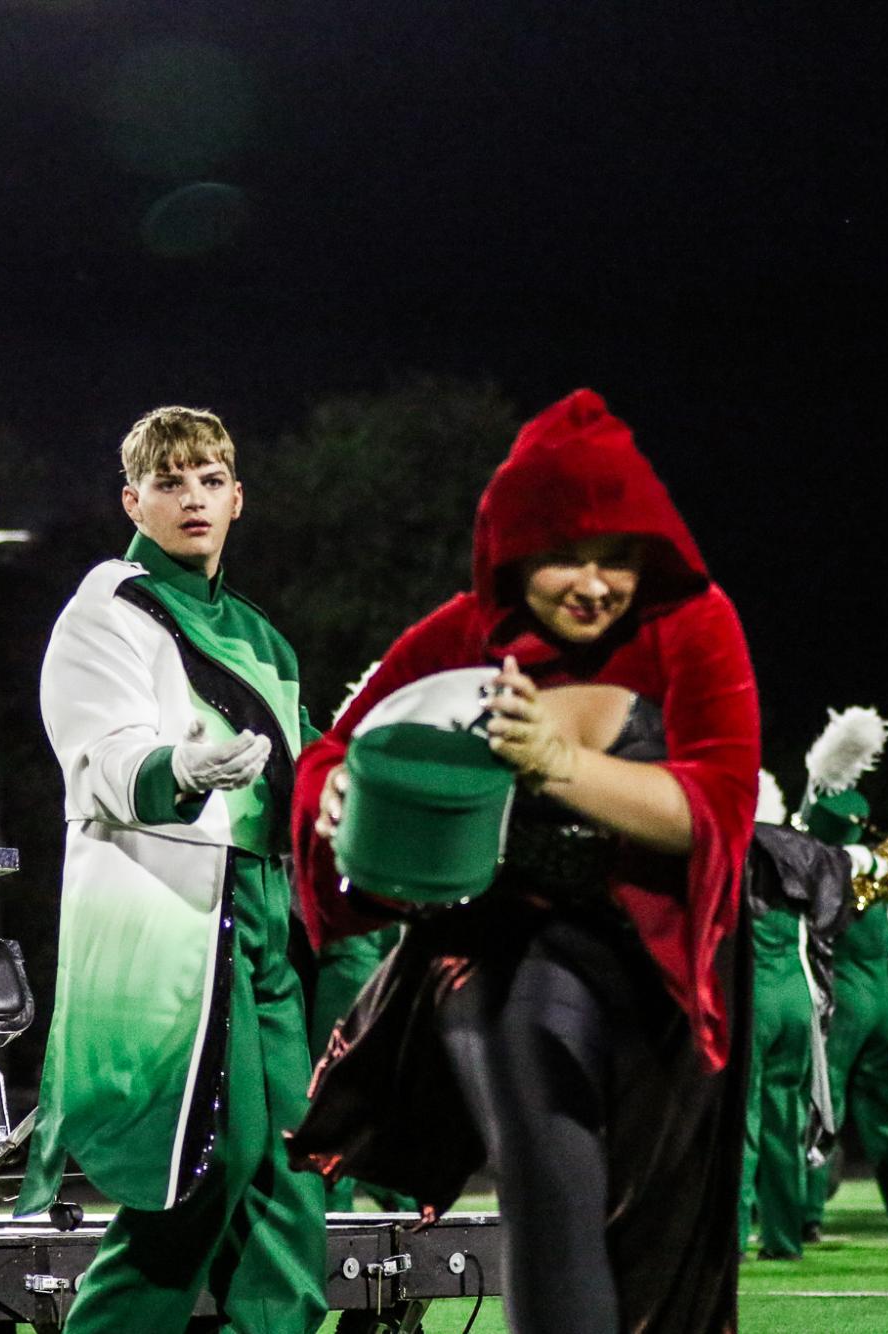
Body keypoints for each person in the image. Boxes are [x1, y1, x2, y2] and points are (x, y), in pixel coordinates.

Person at [288, 389, 761, 1333]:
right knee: (547, 1171)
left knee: (670, 1254)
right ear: (512, 555)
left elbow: (717, 810)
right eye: (564, 558)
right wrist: (332, 794)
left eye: (615, 557)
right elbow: (331, 754)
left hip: (664, 975)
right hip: (496, 951)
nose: (593, 583)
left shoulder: (695, 626)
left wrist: (559, 763)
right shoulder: (462, 633)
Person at [16, 408, 325, 1333]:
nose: (191, 497)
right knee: (204, 1166)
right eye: (169, 481)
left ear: (237, 498)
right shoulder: (109, 606)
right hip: (179, 910)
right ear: (133, 500)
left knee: (289, 1164)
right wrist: (177, 769)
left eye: (207, 480)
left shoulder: (261, 634)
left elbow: (303, 771)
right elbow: (97, 759)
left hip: (265, 900)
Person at [796, 707, 888, 1239]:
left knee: (822, 1101)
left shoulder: (818, 862)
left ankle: (806, 1214)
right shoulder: (886, 865)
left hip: (841, 995)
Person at [740, 770, 850, 1260]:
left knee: (741, 1123)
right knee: (785, 1124)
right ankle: (784, 1239)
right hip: (796, 997)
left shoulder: (739, 847)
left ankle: (733, 1237)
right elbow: (834, 914)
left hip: (751, 994)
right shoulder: (807, 851)